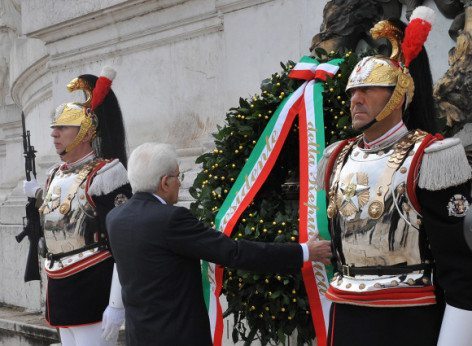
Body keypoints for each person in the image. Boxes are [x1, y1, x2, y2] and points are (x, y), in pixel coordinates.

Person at [316, 8, 472, 346]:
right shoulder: (335, 158)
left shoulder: (431, 158)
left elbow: (459, 268)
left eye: (368, 89)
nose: (354, 99)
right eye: (351, 91)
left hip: (408, 319)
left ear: (398, 94)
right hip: (347, 312)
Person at [106, 142, 333, 346]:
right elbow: (233, 253)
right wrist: (303, 251)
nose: (180, 183)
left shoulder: (114, 219)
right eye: (178, 176)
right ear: (165, 182)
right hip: (178, 336)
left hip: (140, 336)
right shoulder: (170, 219)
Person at [23, 67, 132, 346]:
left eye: (63, 127)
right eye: (54, 128)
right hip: (59, 284)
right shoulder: (54, 175)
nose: (54, 134)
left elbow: (123, 242)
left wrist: (116, 303)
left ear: (85, 130)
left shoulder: (107, 175)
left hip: (92, 284)